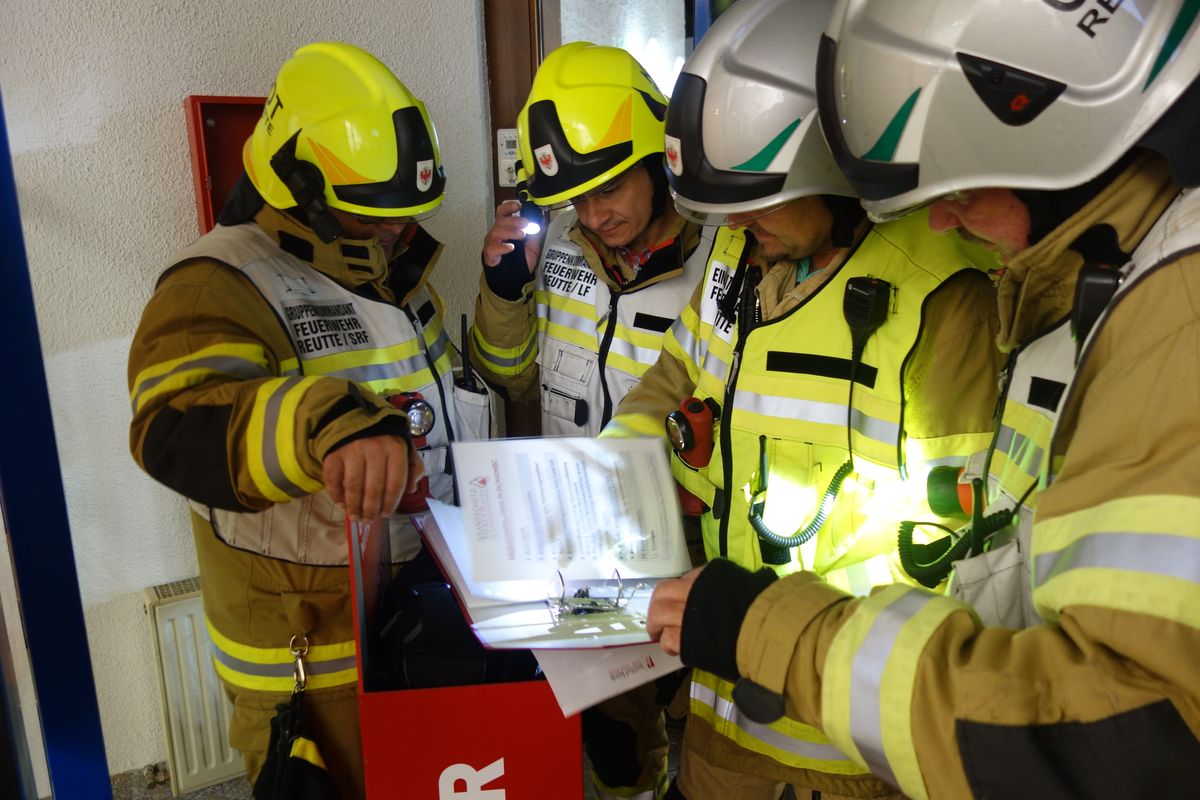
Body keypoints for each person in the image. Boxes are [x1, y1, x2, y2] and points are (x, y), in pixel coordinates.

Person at [647, 2, 1200, 798]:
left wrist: (777, 631)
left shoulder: (1167, 316)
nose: (942, 219)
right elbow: (1020, 568)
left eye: (962, 188)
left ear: (1057, 140)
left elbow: (1124, 736)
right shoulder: (1102, 288)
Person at [603, 1, 1004, 797]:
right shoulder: (742, 242)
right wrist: (612, 478)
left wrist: (772, 629)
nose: (736, 222)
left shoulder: (942, 298)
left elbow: (956, 563)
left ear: (835, 168)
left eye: (757, 199)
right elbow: (675, 373)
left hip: (834, 750)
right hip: (715, 704)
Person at [127, 42, 490, 798]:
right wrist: (330, 416)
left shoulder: (393, 280)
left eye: (402, 214)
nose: (394, 231)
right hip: (310, 662)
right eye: (373, 216)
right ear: (298, 186)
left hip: (413, 621)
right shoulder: (216, 282)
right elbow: (174, 420)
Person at [468, 42, 719, 800]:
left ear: (659, 163)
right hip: (581, 548)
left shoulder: (722, 257)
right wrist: (502, 293)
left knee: (708, 731)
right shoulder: (560, 256)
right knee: (615, 743)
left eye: (608, 187)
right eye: (576, 197)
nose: (594, 213)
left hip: (693, 546)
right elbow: (504, 375)